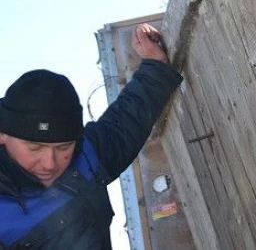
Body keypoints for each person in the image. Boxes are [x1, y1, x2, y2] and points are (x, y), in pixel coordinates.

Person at [0, 23, 183, 249]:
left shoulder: (85, 158)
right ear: (3, 135)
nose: (50, 163)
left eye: (63, 147)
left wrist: (154, 65)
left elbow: (125, 124)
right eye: (34, 148)